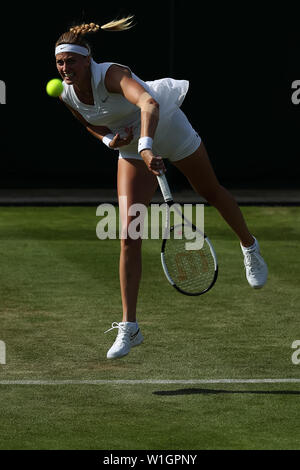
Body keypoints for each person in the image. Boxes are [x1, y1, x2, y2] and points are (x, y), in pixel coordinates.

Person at [54, 16, 268, 360]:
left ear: (87, 60)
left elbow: (149, 104)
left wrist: (147, 146)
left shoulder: (111, 74)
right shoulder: (66, 93)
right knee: (128, 234)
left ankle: (250, 247)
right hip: (132, 148)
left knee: (209, 191)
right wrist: (112, 139)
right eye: (60, 62)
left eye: (71, 61)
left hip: (166, 127)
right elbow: (90, 124)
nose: (65, 67)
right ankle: (130, 327)